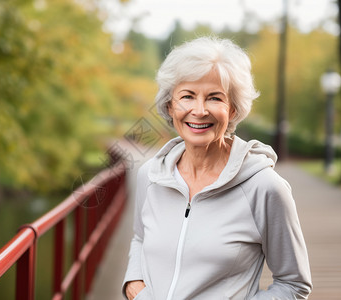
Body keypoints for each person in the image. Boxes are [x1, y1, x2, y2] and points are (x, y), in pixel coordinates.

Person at [122, 36, 312, 300]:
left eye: (214, 98)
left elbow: (293, 284)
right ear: (169, 106)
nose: (199, 111)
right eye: (187, 96)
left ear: (233, 109)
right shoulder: (150, 175)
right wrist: (134, 284)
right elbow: (140, 238)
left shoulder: (265, 188)